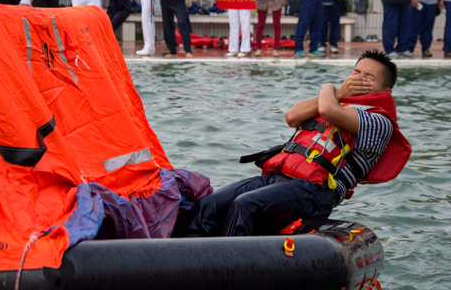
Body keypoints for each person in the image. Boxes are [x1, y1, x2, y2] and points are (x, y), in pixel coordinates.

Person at [174, 50, 411, 237]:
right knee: (207, 205)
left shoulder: (379, 122)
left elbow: (328, 111)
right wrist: (338, 93)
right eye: (356, 72)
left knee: (246, 205)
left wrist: (330, 88)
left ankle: (228, 271)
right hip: (277, 179)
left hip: (316, 191)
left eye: (369, 77)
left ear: (386, 91)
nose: (359, 78)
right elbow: (292, 116)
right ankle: (184, 264)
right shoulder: (334, 101)